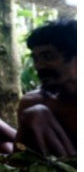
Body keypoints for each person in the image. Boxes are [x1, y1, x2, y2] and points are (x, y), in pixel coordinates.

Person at [16, 19, 76, 157]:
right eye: (35, 59)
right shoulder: (32, 103)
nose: (39, 66)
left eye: (47, 57)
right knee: (36, 114)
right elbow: (17, 162)